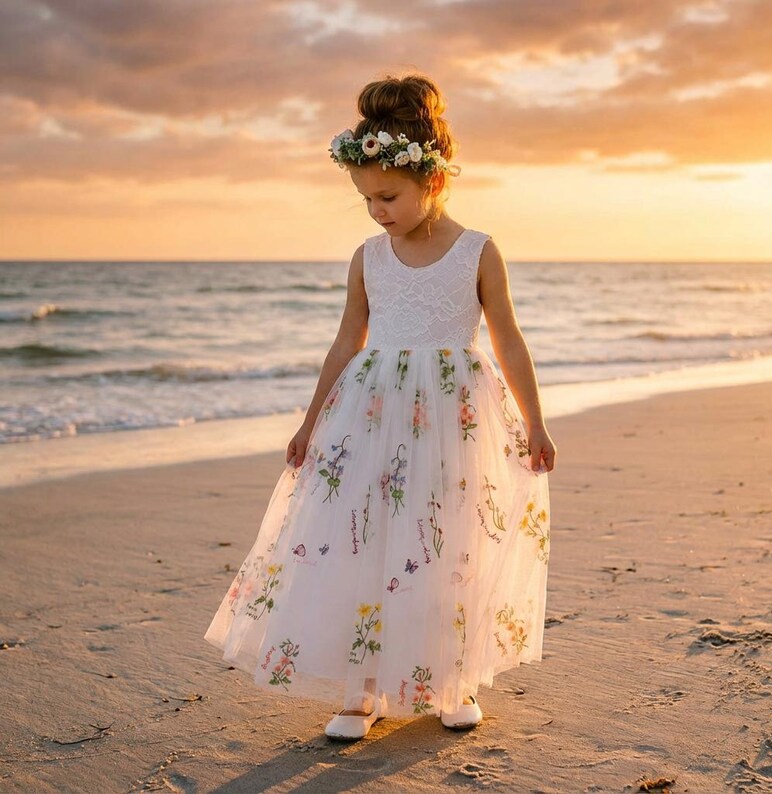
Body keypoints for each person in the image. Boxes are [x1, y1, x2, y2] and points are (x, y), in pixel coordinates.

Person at [204, 72, 556, 741]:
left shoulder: (477, 251)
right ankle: (360, 691)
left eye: (388, 196)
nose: (378, 212)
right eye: (366, 199)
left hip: (455, 419)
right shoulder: (369, 257)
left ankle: (450, 682)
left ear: (434, 178)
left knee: (448, 542)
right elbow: (347, 341)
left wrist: (535, 422)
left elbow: (507, 338)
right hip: (369, 417)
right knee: (361, 542)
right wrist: (309, 424)